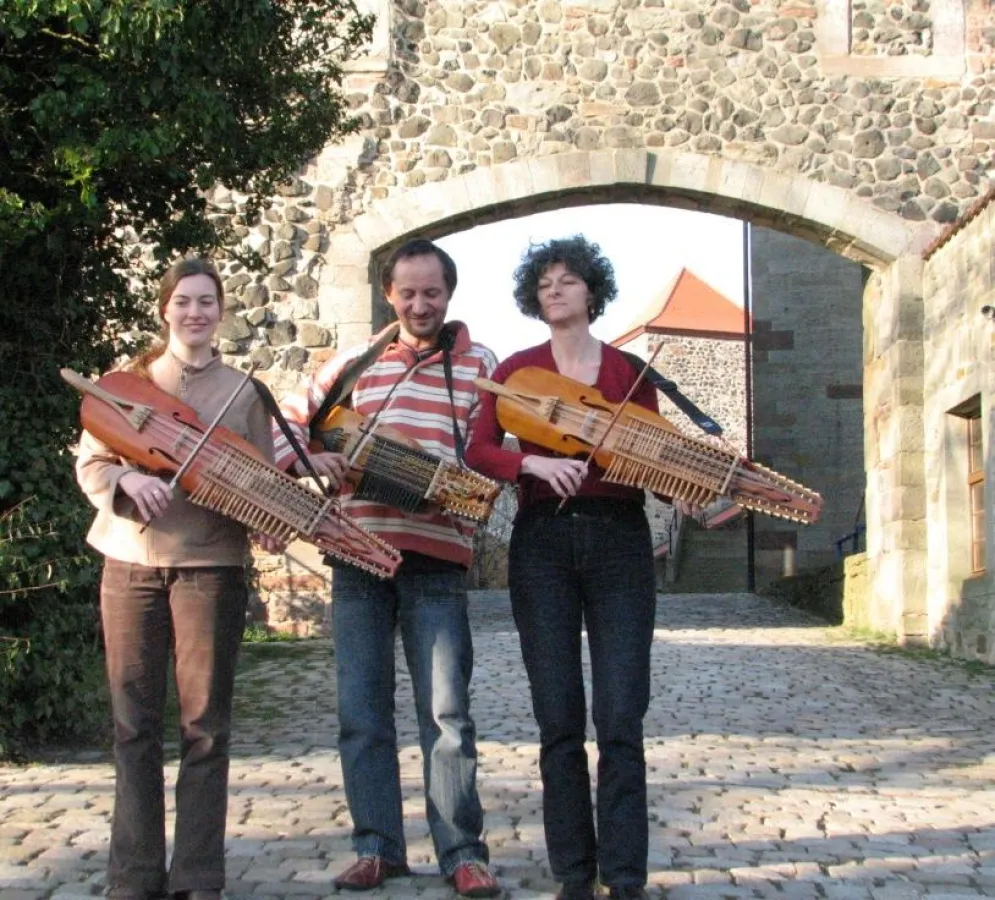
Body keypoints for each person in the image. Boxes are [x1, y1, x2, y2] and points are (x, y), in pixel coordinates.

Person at [274, 239, 501, 897]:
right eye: (408, 292)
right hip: (357, 559)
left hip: (436, 560)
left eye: (431, 292)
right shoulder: (351, 364)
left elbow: (490, 456)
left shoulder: (481, 366)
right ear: (388, 294)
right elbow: (286, 426)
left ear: (448, 294)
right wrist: (311, 460)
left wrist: (459, 484)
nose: (420, 304)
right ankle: (377, 848)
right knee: (361, 710)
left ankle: (462, 853)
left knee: (447, 715)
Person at [465, 236, 661, 900]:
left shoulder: (629, 374)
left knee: (621, 715)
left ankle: (625, 877)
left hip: (619, 543)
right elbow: (479, 449)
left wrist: (681, 474)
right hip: (542, 542)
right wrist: (533, 463)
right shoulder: (517, 371)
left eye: (568, 280)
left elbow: (656, 463)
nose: (555, 289)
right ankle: (573, 876)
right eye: (544, 282)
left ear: (591, 291)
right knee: (557, 717)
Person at [75, 258, 276, 900]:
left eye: (206, 302)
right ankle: (133, 876)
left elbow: (263, 485)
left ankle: (197, 877)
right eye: (184, 302)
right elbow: (93, 465)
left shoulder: (245, 393)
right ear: (165, 310)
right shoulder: (130, 384)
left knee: (205, 728)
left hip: (210, 570)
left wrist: (272, 522)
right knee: (133, 725)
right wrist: (127, 480)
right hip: (130, 565)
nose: (195, 313)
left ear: (221, 312)